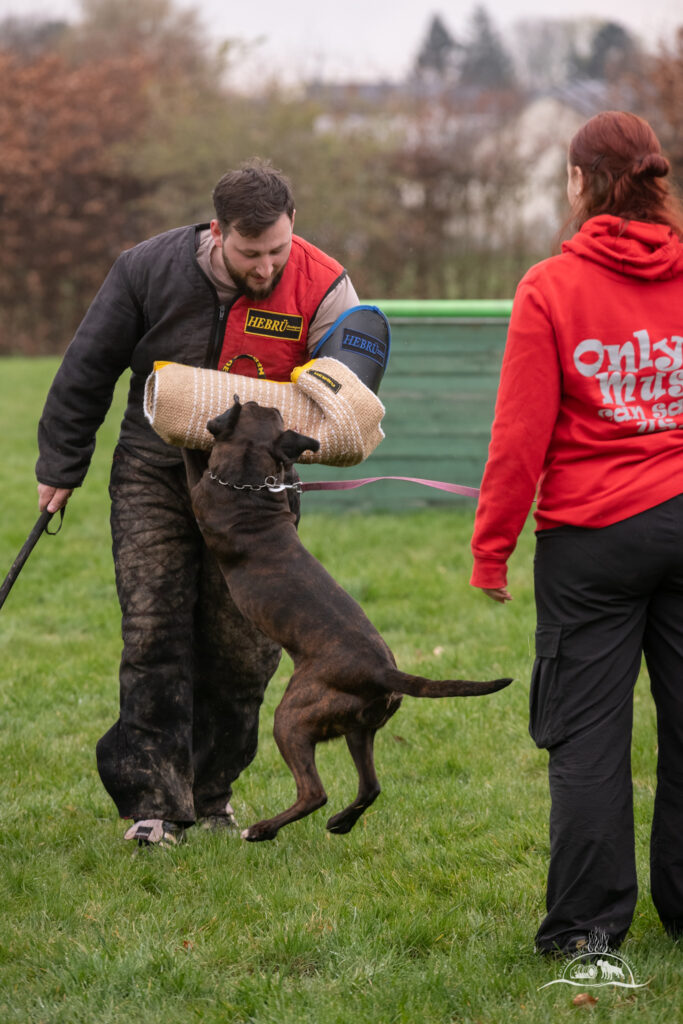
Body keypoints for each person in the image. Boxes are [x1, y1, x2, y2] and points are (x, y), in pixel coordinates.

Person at [35, 159, 360, 848]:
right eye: (250, 253)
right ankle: (154, 804)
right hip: (155, 468)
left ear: (292, 224)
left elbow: (348, 387)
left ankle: (211, 797)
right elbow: (87, 366)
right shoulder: (147, 269)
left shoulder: (325, 284)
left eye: (277, 249)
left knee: (242, 653)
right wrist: (62, 465)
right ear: (217, 233)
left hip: (258, 496)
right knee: (154, 633)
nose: (266, 266)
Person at [470, 111, 683, 953]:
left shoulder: (549, 286)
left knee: (588, 738)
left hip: (590, 542)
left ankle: (586, 931)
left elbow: (518, 437)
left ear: (578, 183)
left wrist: (491, 549)